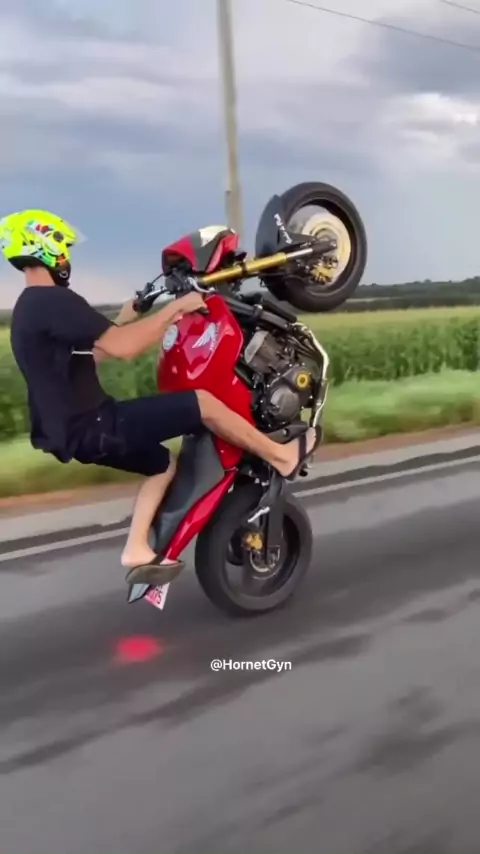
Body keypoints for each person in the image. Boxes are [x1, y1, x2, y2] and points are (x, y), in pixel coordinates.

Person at [0, 209, 317, 586]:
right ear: (44, 247)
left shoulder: (29, 309)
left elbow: (89, 356)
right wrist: (177, 308)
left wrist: (126, 316)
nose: (67, 258)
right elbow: (125, 348)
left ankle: (137, 548)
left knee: (162, 464)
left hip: (74, 432)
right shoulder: (51, 300)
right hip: (96, 423)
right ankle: (280, 455)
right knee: (202, 403)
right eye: (63, 248)